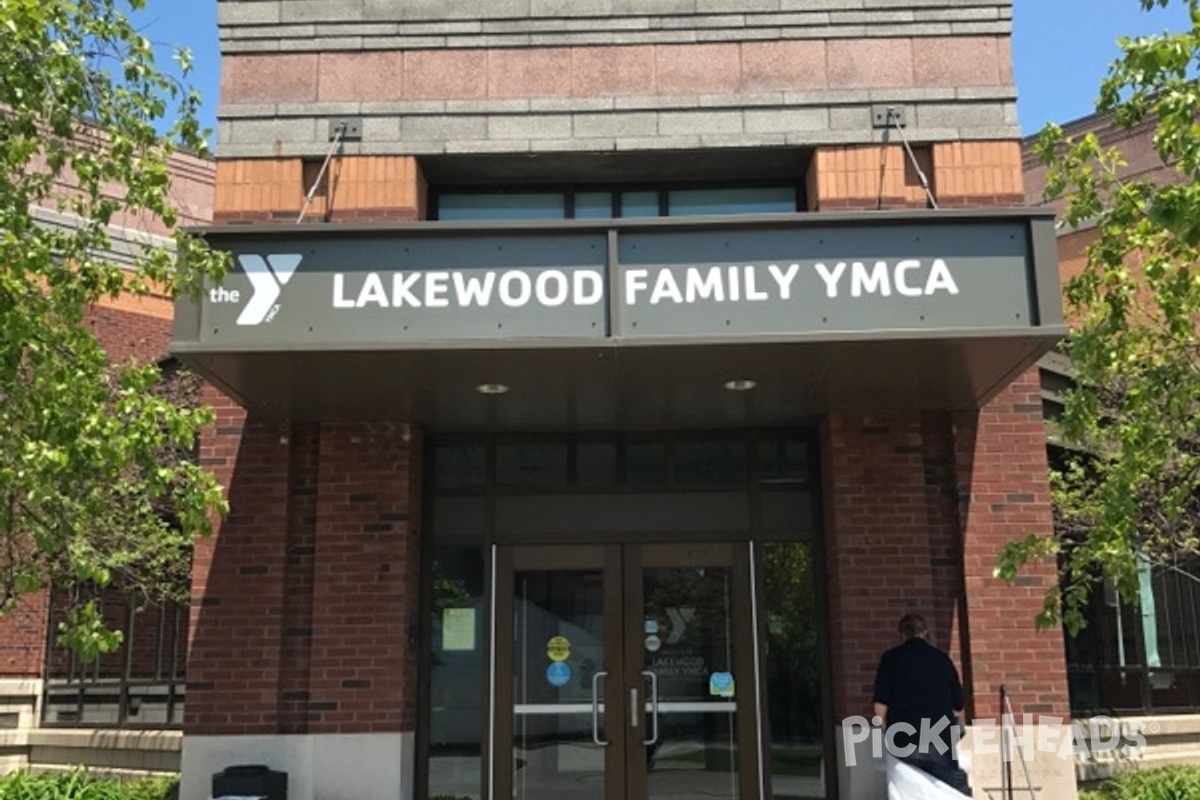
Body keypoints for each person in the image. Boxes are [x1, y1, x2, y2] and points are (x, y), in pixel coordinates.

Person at [872, 613, 969, 795]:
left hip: (903, 739)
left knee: (907, 793)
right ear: (925, 633)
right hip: (939, 741)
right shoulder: (942, 659)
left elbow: (880, 705)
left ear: (901, 635)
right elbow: (958, 703)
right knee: (943, 793)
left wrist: (884, 730)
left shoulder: (890, 659)